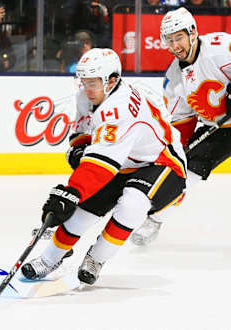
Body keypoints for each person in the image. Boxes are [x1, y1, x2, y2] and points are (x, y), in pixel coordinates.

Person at [21, 48, 187, 285]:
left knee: (132, 204)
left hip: (162, 163)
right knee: (80, 215)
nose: (87, 89)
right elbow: (83, 131)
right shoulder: (87, 96)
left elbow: (100, 166)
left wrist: (71, 193)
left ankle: (96, 258)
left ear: (111, 80)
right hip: (124, 160)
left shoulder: (119, 109)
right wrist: (78, 148)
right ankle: (49, 259)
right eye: (84, 82)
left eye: (93, 83)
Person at [131, 7, 231, 246]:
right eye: (170, 40)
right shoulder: (174, 79)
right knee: (187, 171)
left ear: (193, 32)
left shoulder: (221, 47)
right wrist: (176, 154)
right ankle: (154, 219)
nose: (175, 45)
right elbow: (182, 125)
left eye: (179, 37)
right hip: (219, 130)